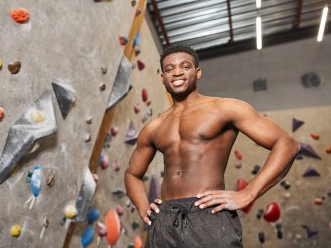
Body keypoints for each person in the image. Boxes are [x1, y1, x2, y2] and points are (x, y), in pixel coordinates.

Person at [124, 45, 299, 247]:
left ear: (198, 73)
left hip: (208, 213)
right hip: (165, 219)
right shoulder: (154, 126)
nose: (177, 72)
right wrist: (144, 207)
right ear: (162, 77)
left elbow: (287, 144)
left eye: (185, 66)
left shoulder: (225, 108)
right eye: (169, 69)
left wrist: (248, 193)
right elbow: (132, 174)